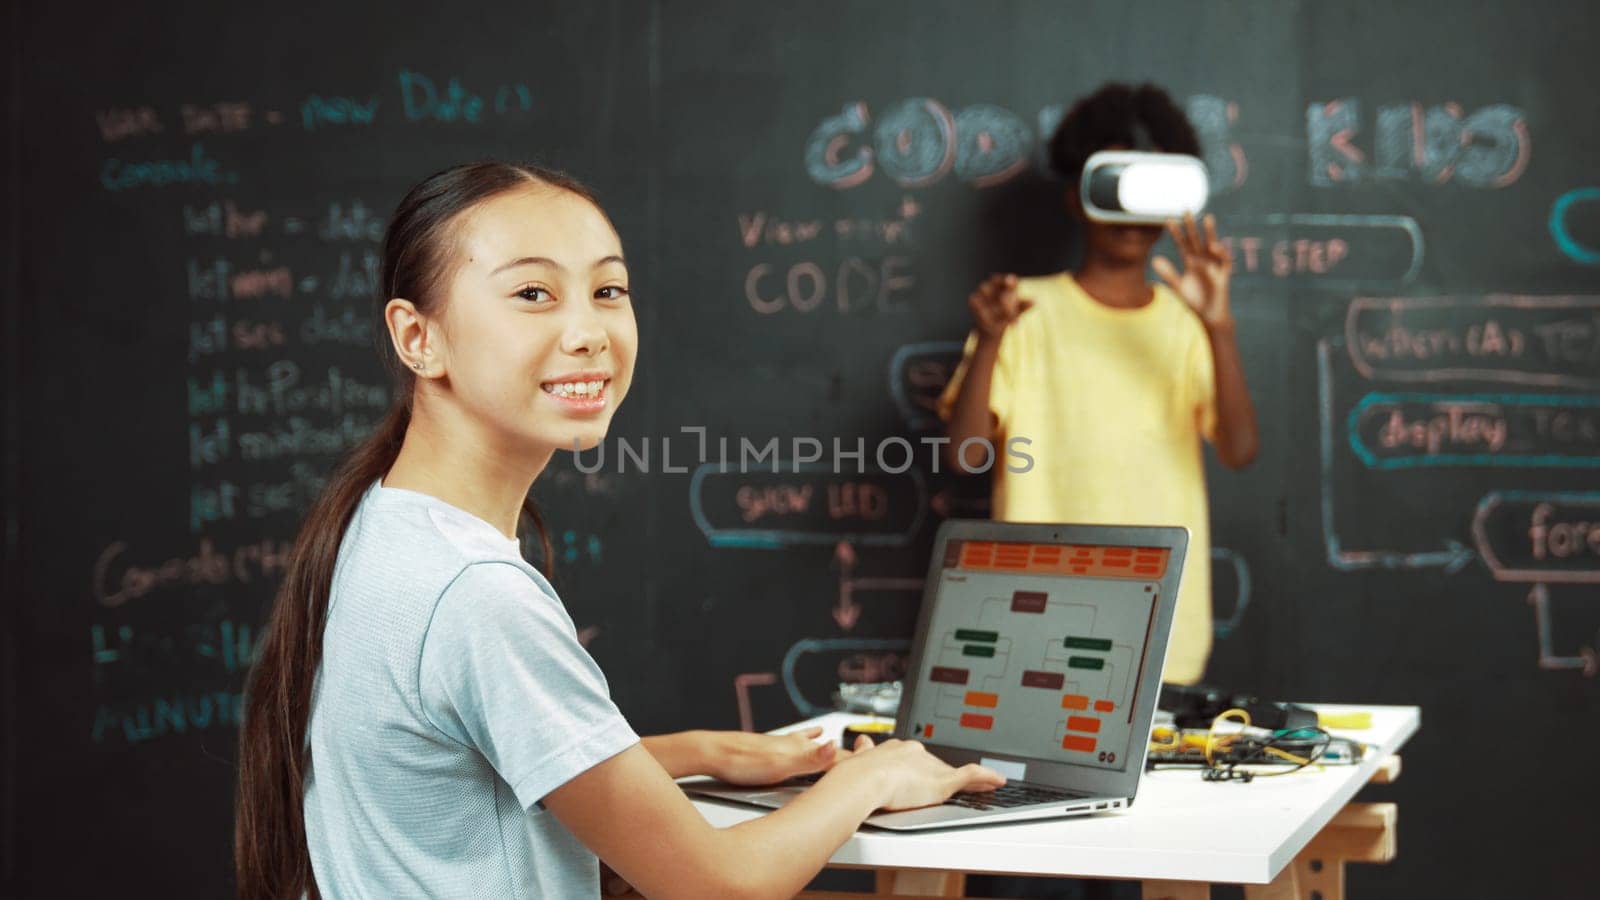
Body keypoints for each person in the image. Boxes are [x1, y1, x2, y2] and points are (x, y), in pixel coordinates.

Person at [233, 162, 1004, 899]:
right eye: (534, 293)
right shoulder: (476, 596)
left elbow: (472, 768)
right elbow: (717, 885)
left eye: (608, 290)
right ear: (417, 337)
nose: (589, 332)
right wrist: (871, 776)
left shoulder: (381, 524)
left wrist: (706, 753)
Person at [940, 82, 1259, 691]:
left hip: (1160, 616)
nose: (1132, 213)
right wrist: (988, 340)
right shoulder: (1022, 309)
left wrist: (1220, 328)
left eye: (1150, 191)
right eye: (1115, 187)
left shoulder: (1186, 323)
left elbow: (1241, 450)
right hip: (1034, 609)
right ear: (1076, 197)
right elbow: (965, 453)